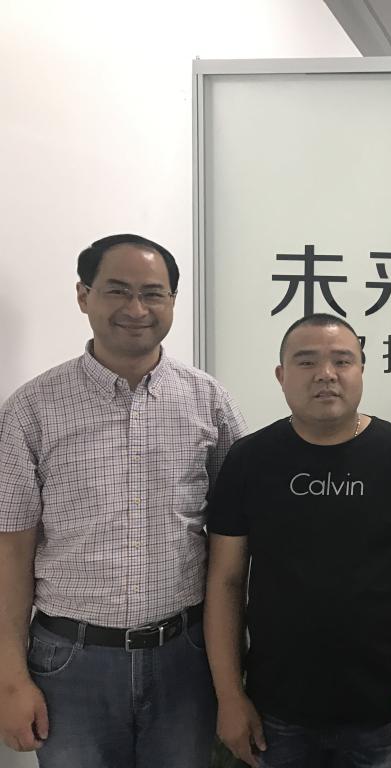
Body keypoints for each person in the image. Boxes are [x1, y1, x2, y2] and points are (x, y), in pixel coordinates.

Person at [0, 234, 246, 767]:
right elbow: (12, 551)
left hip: (185, 657)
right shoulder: (31, 410)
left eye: (153, 293)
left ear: (173, 302)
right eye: (117, 290)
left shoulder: (210, 402)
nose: (136, 309)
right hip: (69, 663)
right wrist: (10, 677)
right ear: (83, 295)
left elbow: (236, 540)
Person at [204, 313, 391, 768]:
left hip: (383, 710)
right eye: (306, 362)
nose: (326, 374)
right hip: (276, 710)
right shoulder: (249, 460)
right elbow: (225, 581)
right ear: (281, 375)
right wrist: (230, 697)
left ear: (361, 370)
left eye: (342, 360)